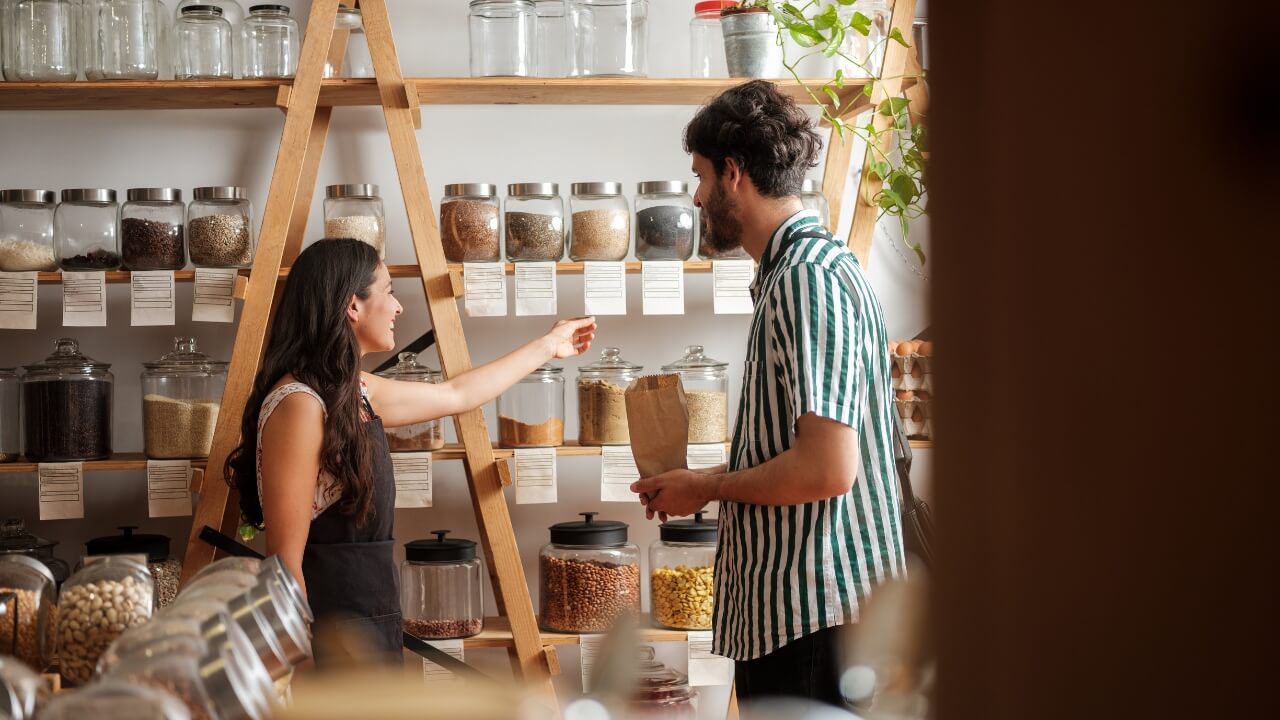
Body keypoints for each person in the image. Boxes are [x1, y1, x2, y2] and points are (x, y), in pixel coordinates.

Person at [630, 80, 906, 707]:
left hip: (815, 617)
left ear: (733, 173)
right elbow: (799, 452)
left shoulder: (806, 279)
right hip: (807, 617)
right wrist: (698, 482)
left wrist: (709, 488)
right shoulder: (804, 270)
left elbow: (827, 469)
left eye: (700, 177)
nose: (696, 198)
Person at [227, 238, 596, 664]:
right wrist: (302, 669)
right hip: (327, 637)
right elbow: (284, 563)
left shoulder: (352, 391)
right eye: (389, 291)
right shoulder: (300, 403)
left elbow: (457, 394)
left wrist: (549, 345)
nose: (399, 307)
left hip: (371, 622)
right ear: (352, 306)